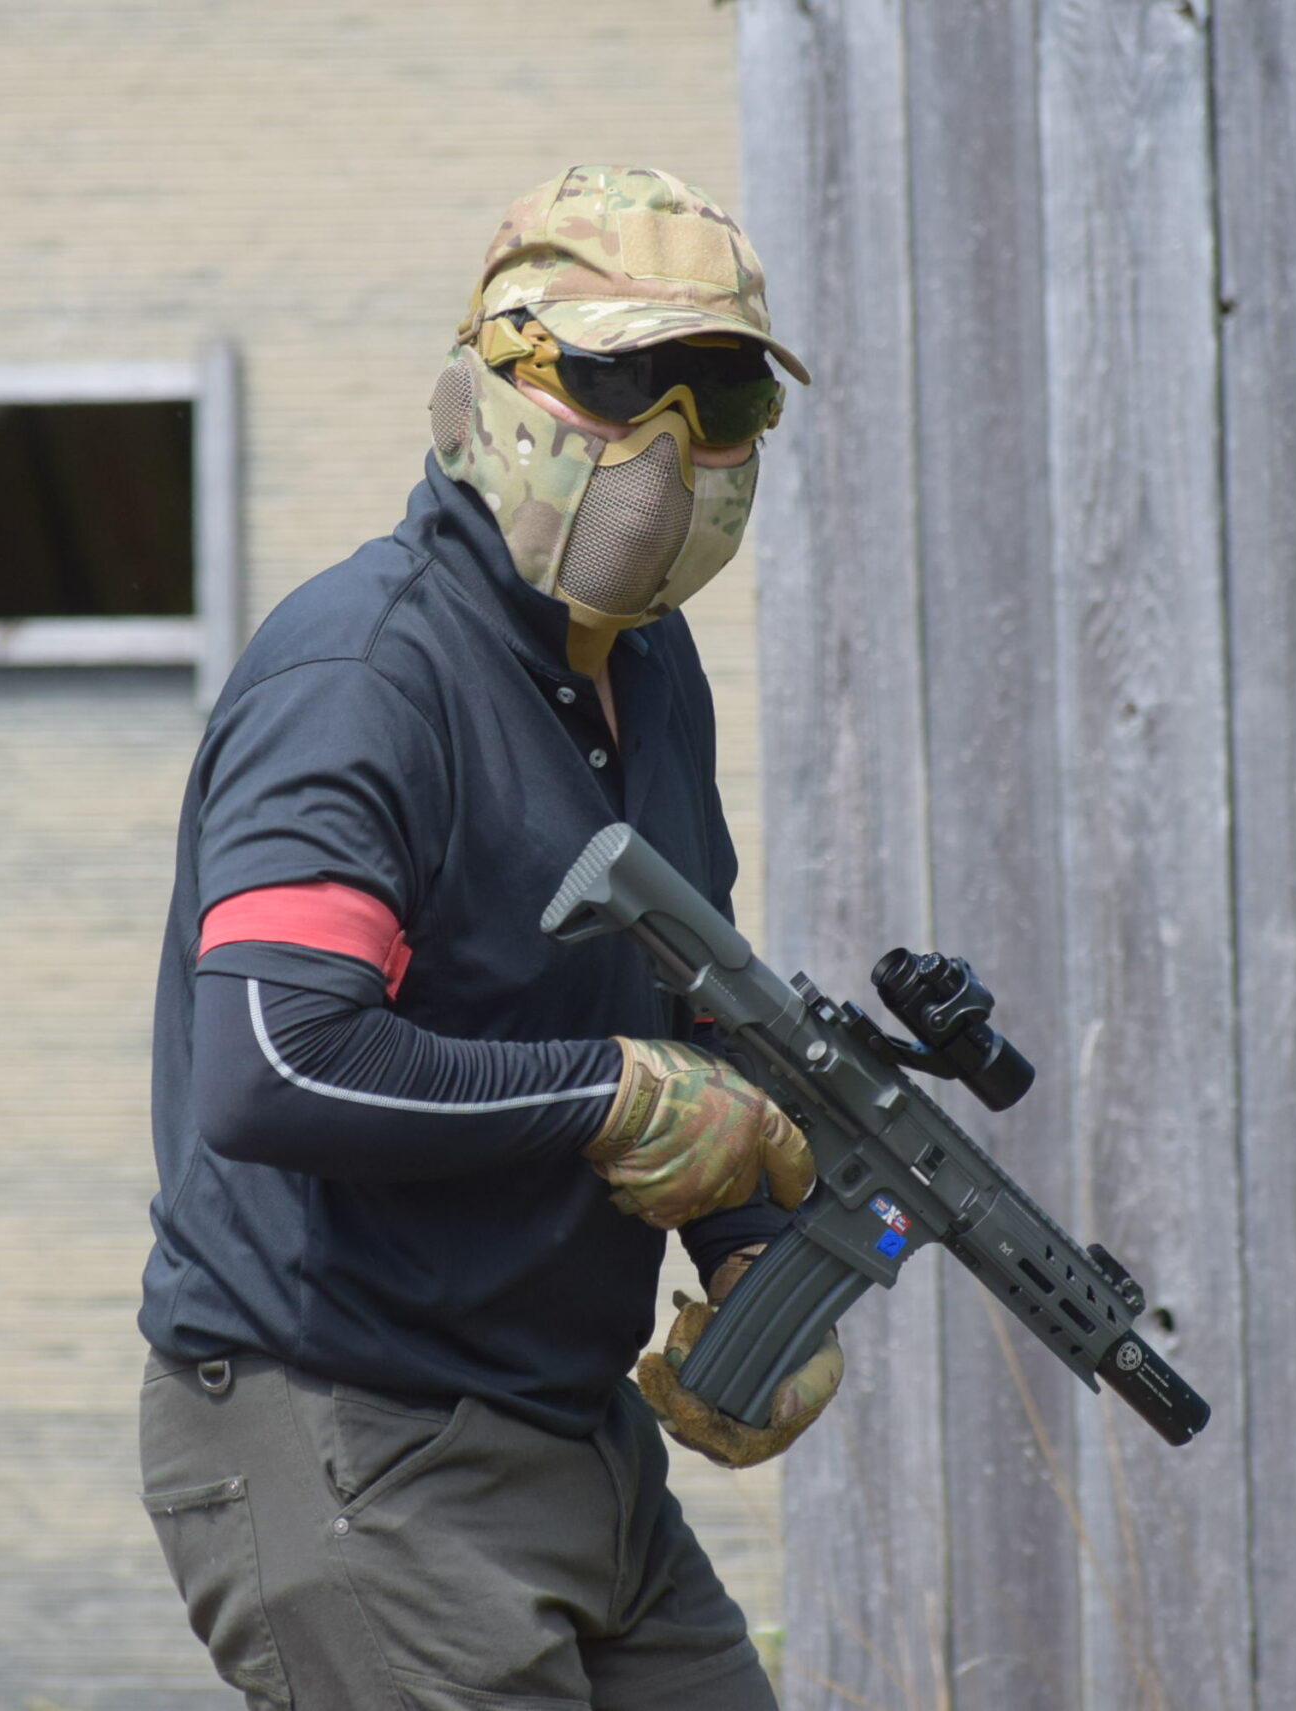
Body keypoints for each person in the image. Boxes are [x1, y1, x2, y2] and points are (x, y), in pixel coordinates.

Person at [137, 165, 844, 1711]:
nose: (668, 445)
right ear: (491, 383)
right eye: (618, 383)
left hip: (576, 1442)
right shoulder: (360, 678)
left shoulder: (649, 670)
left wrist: (751, 1257)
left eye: (720, 395)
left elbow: (692, 1007)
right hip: (357, 1439)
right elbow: (272, 1064)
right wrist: (616, 1097)